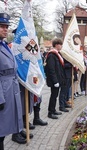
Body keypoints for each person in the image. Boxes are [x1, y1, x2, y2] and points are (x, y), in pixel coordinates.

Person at [0, 13, 24, 149]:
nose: (5, 29)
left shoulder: (4, 45)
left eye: (6, 26)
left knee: (3, 131)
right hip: (3, 92)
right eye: (2, 26)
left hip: (10, 89)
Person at [45, 38, 65, 119]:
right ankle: (50, 112)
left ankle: (53, 110)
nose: (61, 46)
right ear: (56, 45)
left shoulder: (57, 54)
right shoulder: (52, 55)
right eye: (60, 44)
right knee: (53, 96)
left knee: (55, 95)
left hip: (57, 79)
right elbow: (51, 69)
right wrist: (55, 81)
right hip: (54, 80)